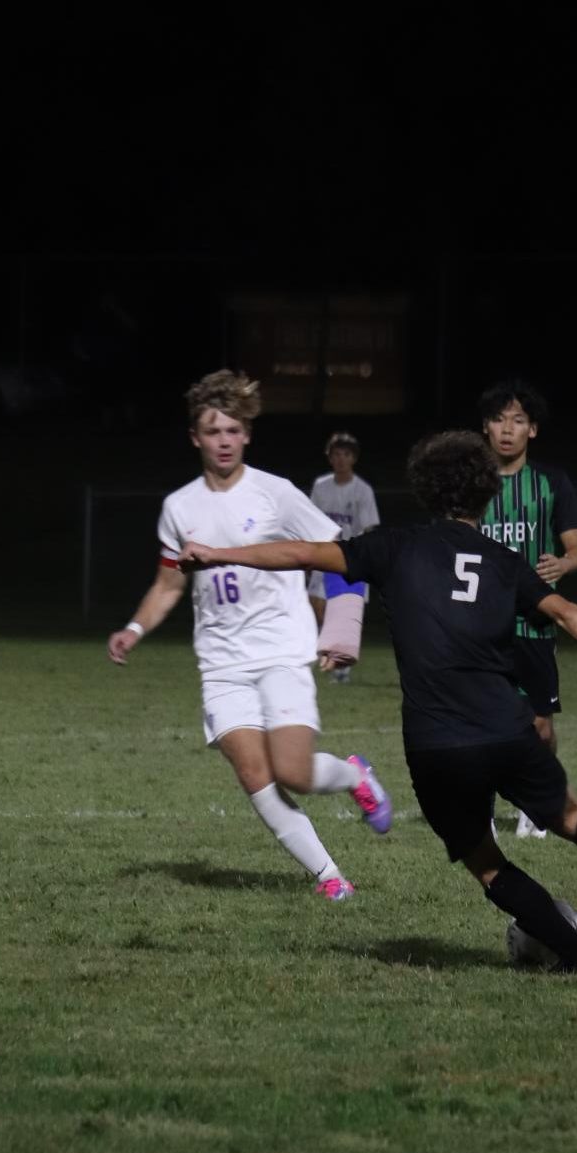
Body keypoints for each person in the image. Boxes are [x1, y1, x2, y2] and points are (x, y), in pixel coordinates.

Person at [176, 431, 577, 974]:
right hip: (507, 729)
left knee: (487, 863)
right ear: (486, 493)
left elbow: (301, 553)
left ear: (425, 488)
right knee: (572, 817)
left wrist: (222, 554)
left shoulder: (394, 547)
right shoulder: (503, 563)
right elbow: (567, 612)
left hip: (437, 746)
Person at [106, 370, 392, 903]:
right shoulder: (180, 507)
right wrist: (134, 627)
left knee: (293, 770)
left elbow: (342, 558)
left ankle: (354, 777)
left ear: (247, 435)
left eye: (233, 430)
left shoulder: (275, 495)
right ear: (196, 437)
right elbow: (169, 582)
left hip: (282, 651)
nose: (224, 441)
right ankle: (330, 876)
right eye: (213, 431)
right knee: (254, 772)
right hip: (221, 664)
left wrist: (341, 631)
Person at [476, 378, 577, 837]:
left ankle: (537, 804)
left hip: (534, 623)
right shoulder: (471, 484)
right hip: (481, 624)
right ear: (486, 427)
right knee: (480, 718)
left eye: (518, 421)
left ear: (532, 431)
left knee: (538, 724)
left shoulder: (551, 483)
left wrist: (562, 564)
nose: (507, 429)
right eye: (500, 420)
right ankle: (479, 806)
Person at [308, 430, 381, 683]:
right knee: (317, 604)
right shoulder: (321, 486)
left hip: (351, 557)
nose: (340, 459)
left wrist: (366, 557)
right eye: (336, 454)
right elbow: (312, 519)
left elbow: (370, 526)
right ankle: (331, 650)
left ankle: (341, 664)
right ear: (330, 457)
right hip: (324, 553)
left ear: (354, 458)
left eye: (345, 454)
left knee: (342, 609)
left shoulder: (362, 490)